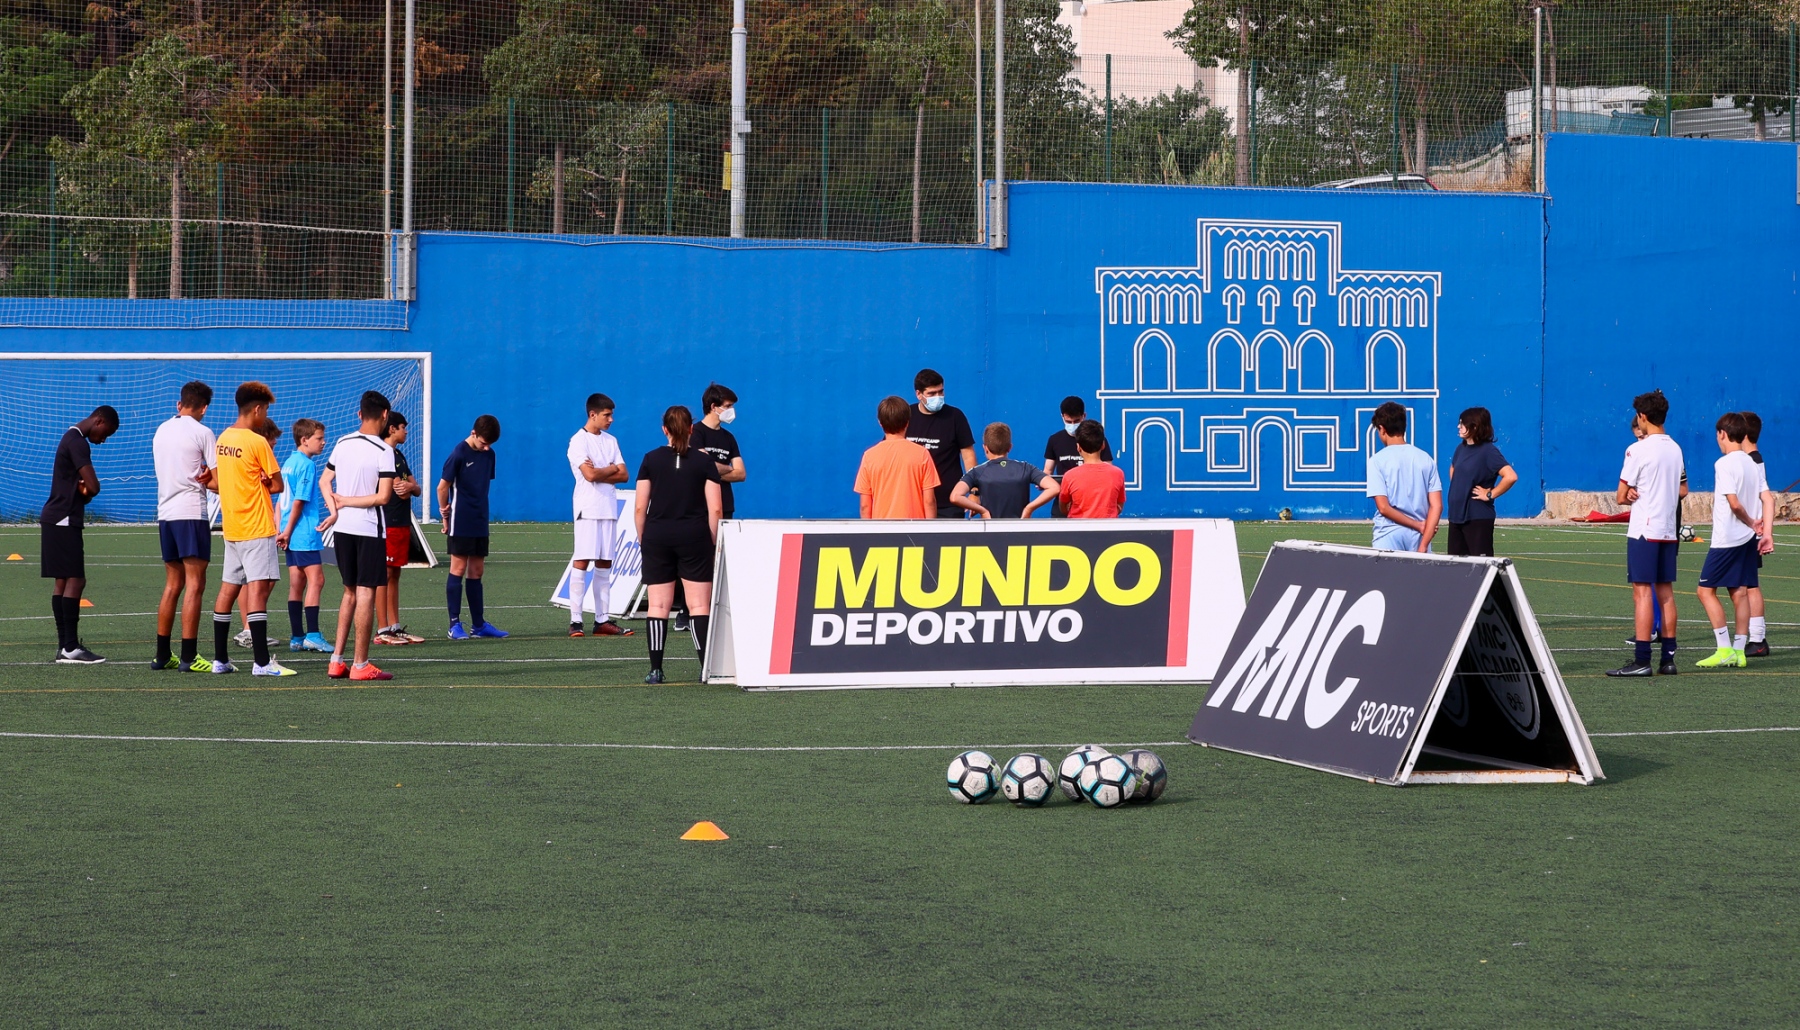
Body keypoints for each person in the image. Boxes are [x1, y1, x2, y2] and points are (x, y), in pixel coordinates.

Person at [634, 405, 724, 684]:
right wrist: (711, 541)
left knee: (658, 606)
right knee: (698, 605)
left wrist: (644, 539)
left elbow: (640, 507)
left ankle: (656, 670)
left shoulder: (651, 459)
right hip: (694, 536)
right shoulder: (704, 461)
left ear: (665, 429)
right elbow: (716, 509)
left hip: (657, 536)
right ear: (691, 429)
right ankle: (705, 669)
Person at [211, 383, 292, 677]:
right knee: (257, 591)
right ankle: (261, 662)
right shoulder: (257, 442)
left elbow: (221, 481)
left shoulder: (223, 438)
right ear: (257, 409)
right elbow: (278, 485)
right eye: (266, 409)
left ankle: (220, 660)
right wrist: (265, 482)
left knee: (227, 589)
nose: (266, 414)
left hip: (232, 527)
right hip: (257, 525)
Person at [1608, 389, 1687, 678]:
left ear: (1642, 416)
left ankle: (1642, 659)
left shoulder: (1637, 449)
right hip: (1667, 529)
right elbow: (1682, 489)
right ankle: (1668, 659)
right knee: (1666, 594)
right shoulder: (1675, 448)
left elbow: (1620, 495)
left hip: (1644, 529)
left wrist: (1630, 493)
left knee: (1642, 594)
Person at [321, 390, 397, 681]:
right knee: (365, 592)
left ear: (359, 414)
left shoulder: (342, 442)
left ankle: (336, 661)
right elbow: (383, 497)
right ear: (385, 415)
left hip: (342, 529)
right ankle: (360, 664)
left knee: (349, 591)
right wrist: (347, 502)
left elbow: (325, 480)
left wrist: (335, 509)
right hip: (368, 529)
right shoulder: (383, 450)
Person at [41, 406, 119, 664]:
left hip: (56, 517)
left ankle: (65, 646)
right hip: (63, 518)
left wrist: (81, 490)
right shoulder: (77, 443)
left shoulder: (70, 437)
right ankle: (71, 646)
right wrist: (88, 489)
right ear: (99, 421)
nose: (103, 440)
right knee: (76, 579)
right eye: (105, 433)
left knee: (62, 581)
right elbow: (93, 485)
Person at [151, 382, 217, 671]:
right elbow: (217, 481)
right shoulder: (203, 432)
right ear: (204, 407)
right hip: (191, 512)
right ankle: (189, 656)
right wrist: (210, 477)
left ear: (180, 404)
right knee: (195, 584)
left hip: (166, 514)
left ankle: (163, 655)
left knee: (173, 584)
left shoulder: (161, 430)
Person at [1694, 412, 1768, 669]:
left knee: (1705, 591)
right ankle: (1739, 650)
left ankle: (1724, 648)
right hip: (1747, 540)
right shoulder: (1752, 462)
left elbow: (1734, 504)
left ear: (1722, 434)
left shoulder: (1724, 464)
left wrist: (1750, 521)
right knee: (1739, 592)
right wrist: (1760, 528)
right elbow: (1766, 497)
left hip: (1727, 539)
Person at [673, 383, 747, 632]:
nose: (732, 411)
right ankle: (685, 611)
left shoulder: (728, 438)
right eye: (728, 406)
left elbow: (740, 473)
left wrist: (713, 467)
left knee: (719, 558)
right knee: (696, 558)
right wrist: (721, 468)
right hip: (699, 505)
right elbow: (698, 465)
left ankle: (713, 610)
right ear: (714, 407)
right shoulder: (695, 433)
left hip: (725, 505)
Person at [567, 394, 633, 637]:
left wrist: (604, 470)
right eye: (607, 415)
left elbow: (624, 475)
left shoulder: (611, 441)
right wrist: (611, 469)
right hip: (587, 508)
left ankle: (602, 620)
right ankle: (576, 621)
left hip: (608, 507)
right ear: (592, 414)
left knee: (605, 562)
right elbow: (590, 476)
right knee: (582, 560)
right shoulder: (578, 441)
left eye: (611, 414)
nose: (611, 419)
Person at [440, 414, 507, 640]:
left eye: (490, 444)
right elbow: (442, 487)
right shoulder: (459, 453)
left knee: (477, 571)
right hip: (461, 519)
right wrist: (445, 514)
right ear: (473, 433)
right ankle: (454, 625)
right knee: (458, 568)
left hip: (480, 519)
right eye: (484, 443)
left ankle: (478, 625)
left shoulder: (489, 454)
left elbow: (481, 485)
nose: (486, 448)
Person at [278, 418, 332, 654]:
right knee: (316, 580)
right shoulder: (307, 465)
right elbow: (298, 501)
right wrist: (289, 530)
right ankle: (312, 635)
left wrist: (281, 529)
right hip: (302, 531)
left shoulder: (288, 462)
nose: (323, 442)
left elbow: (280, 501)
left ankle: (297, 636)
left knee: (297, 583)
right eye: (319, 438)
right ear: (304, 440)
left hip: (289, 531)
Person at [375, 412, 425, 645]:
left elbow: (415, 488)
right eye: (403, 427)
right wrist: (408, 487)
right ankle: (382, 629)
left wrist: (411, 487)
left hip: (402, 521)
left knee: (395, 573)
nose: (406, 431)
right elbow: (399, 490)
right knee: (384, 574)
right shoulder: (382, 453)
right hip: (387, 521)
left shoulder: (399, 455)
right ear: (392, 428)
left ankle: (395, 626)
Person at [1365, 402, 1441, 553]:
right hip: (1419, 536)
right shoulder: (1425, 458)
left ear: (1382, 429)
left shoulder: (1377, 460)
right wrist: (1423, 544)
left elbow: (1383, 507)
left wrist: (1417, 525)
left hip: (1388, 534)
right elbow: (1437, 505)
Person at [1444, 406, 1517, 557]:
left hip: (1477, 517)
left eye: (1462, 423)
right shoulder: (1461, 448)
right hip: (1456, 515)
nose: (1458, 426)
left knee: (1481, 565)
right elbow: (1453, 469)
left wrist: (1490, 494)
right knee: (1456, 565)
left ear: (1475, 427)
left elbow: (1510, 476)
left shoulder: (1488, 451)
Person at [905, 368, 976, 519]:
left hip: (949, 504)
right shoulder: (906, 416)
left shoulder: (955, 417)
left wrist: (974, 492)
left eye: (941, 392)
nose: (937, 397)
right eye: (931, 394)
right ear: (919, 394)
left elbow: (968, 456)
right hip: (912, 502)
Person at [952, 422, 1059, 519]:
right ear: (1010, 447)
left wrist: (982, 510)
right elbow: (1054, 487)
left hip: (990, 530)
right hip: (1019, 530)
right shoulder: (1026, 468)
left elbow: (955, 496)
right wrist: (1029, 508)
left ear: (985, 448)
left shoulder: (977, 472)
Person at [856, 396, 940, 519]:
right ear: (907, 422)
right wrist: (929, 528)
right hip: (915, 527)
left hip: (881, 527)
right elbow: (929, 501)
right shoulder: (922, 454)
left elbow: (865, 505)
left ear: (880, 423)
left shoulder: (869, 456)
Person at [1740, 411, 1774, 658]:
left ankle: (1757, 638)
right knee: (1747, 583)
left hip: (1749, 530)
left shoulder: (1752, 461)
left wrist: (1762, 529)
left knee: (1750, 585)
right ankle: (1754, 637)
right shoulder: (1751, 459)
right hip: (1748, 529)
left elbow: (1763, 497)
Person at [1043, 396, 1111, 517]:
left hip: (1091, 502)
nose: (1072, 425)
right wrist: (1043, 481)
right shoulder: (1054, 440)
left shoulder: (1097, 439)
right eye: (1069, 422)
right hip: (1063, 502)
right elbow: (1048, 470)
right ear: (1062, 417)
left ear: (1084, 416)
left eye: (1076, 421)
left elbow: (1107, 470)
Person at [1060, 420, 1126, 519]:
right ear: (1103, 445)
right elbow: (1119, 504)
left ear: (1078, 447)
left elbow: (1063, 507)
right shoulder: (1118, 473)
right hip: (1109, 527)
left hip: (1077, 527)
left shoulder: (1069, 476)